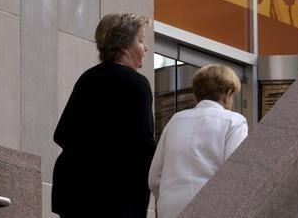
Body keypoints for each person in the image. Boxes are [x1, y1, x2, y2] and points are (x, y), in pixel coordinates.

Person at [51, 12, 156, 218]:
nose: (145, 48)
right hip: (115, 194)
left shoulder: (87, 78)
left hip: (72, 189)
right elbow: (144, 144)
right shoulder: (136, 83)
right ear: (124, 47)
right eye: (141, 40)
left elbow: (62, 134)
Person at [148, 64, 248, 217]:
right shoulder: (234, 121)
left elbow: (154, 177)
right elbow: (236, 175)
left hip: (170, 208)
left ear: (196, 94)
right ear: (227, 94)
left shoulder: (175, 121)